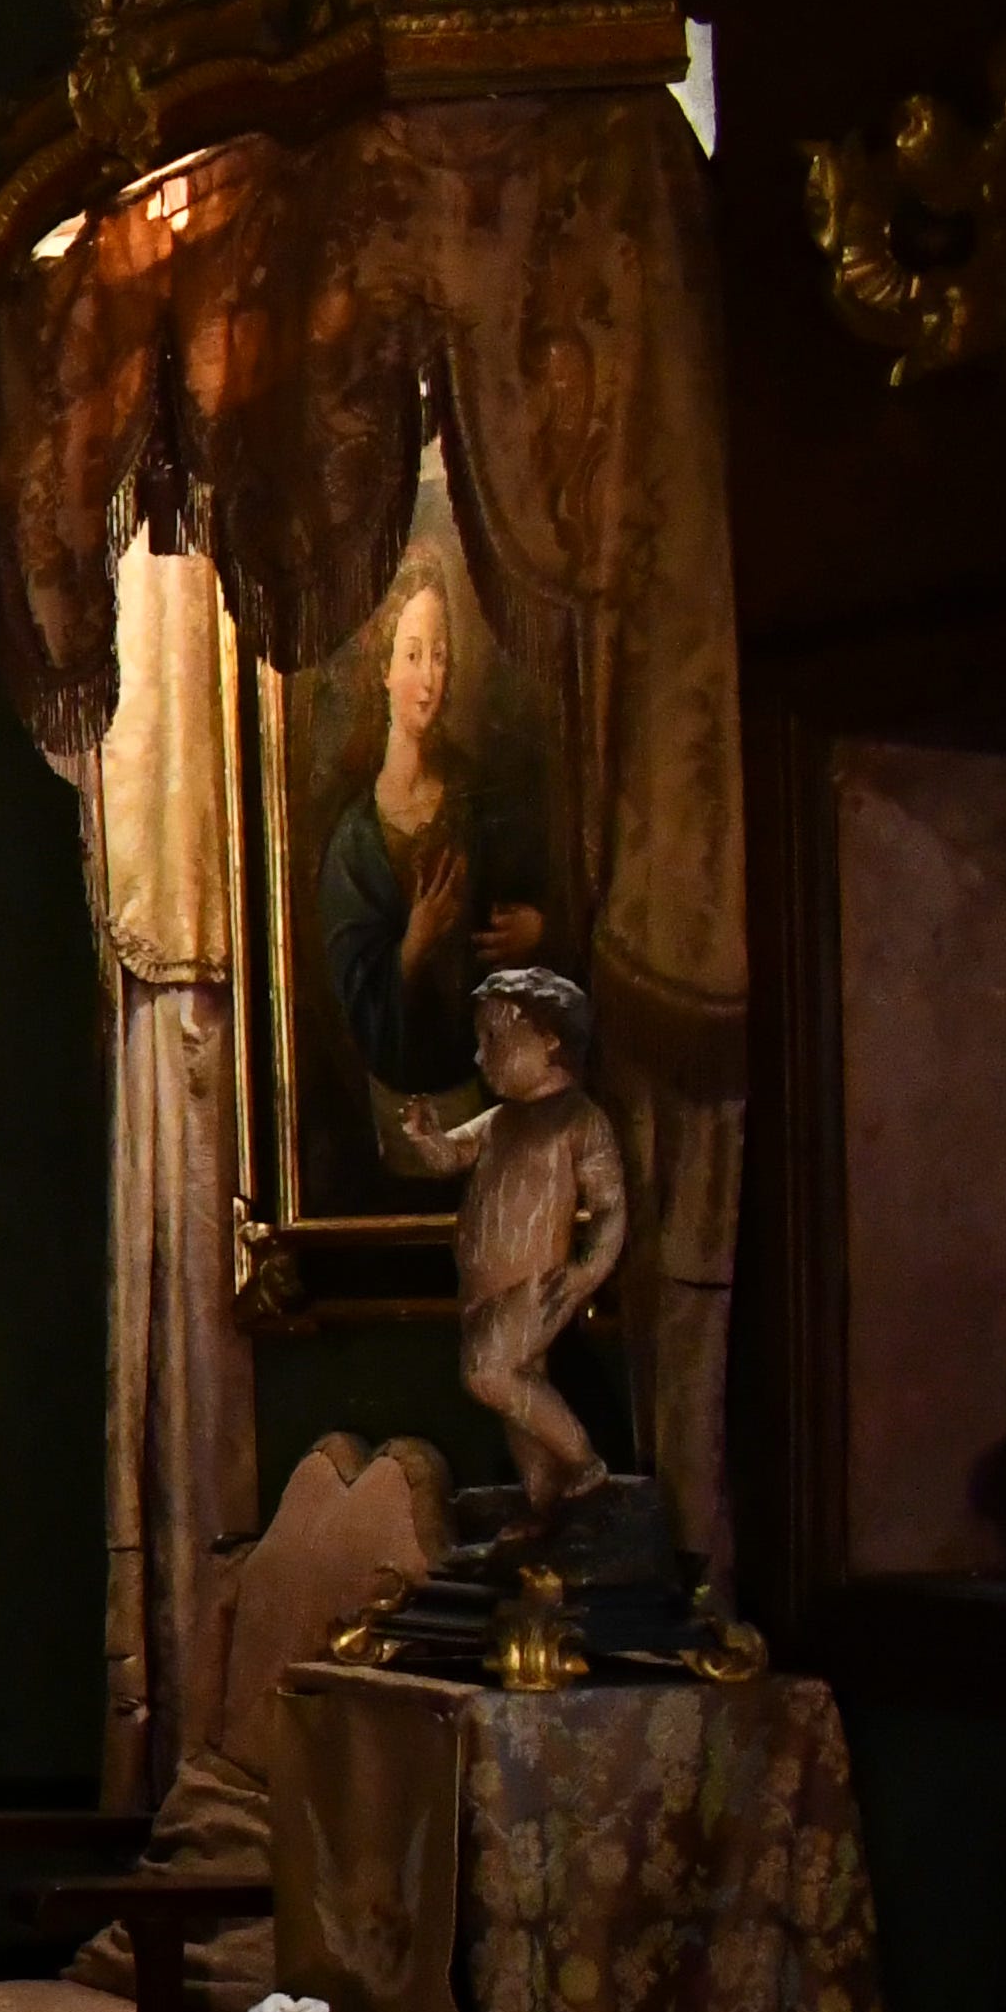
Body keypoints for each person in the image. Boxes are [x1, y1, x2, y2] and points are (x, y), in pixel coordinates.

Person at [381, 967, 631, 1517]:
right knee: (519, 1400)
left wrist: (587, 1271)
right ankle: (546, 1508)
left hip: (539, 1286)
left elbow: (611, 1208)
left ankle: (585, 1463)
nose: (479, 1056)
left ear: (550, 1040)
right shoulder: (498, 1121)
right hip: (483, 1292)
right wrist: (426, 1135)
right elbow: (450, 1156)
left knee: (487, 1372)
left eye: (493, 1038)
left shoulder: (579, 1121)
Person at [317, 569, 550, 1128]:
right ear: (384, 669)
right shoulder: (354, 840)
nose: (428, 679)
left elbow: (529, 907)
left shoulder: (475, 799)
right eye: (413, 655)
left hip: (490, 1098)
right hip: (400, 1116)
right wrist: (412, 947)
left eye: (440, 657)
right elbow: (354, 1001)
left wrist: (539, 931)